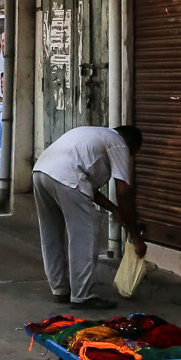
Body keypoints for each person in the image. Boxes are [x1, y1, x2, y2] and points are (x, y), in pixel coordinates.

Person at [33, 125, 145, 309]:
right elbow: (123, 192)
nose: (129, 158)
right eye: (132, 153)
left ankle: (60, 289)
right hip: (66, 176)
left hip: (41, 171)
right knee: (85, 235)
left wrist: (114, 209)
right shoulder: (118, 143)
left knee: (50, 234)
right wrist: (135, 236)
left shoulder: (94, 135)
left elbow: (88, 189)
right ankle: (83, 296)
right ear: (129, 143)